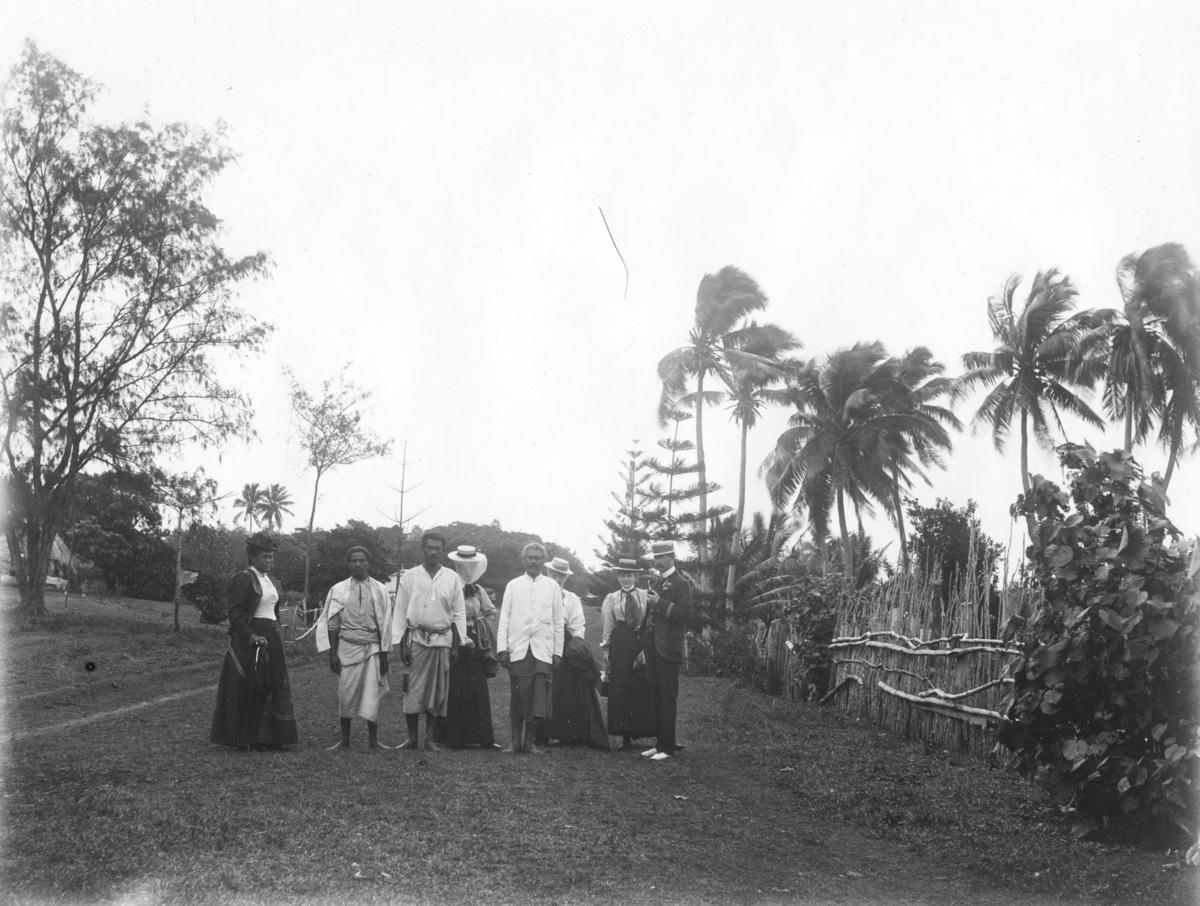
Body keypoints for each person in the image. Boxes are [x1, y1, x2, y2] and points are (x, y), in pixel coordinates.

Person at [209, 532, 298, 750]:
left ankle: (272, 737)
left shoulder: (270, 581)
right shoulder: (244, 578)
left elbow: (273, 610)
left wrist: (277, 634)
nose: (269, 561)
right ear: (253, 557)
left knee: (274, 683)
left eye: (271, 557)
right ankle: (248, 737)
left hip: (272, 636)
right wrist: (251, 637)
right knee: (253, 684)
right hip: (253, 637)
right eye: (265, 557)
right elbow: (236, 614)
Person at [394, 531, 469, 751]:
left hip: (442, 640)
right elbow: (400, 609)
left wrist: (457, 644)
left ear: (443, 551)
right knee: (412, 690)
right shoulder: (410, 576)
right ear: (423, 549)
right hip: (416, 639)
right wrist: (400, 643)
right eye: (429, 547)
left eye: (437, 548)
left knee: (437, 692)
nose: (433, 552)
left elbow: (459, 613)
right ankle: (412, 738)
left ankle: (429, 739)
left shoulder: (452, 578)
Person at [315, 546, 393, 750]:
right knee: (345, 693)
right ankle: (345, 740)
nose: (358, 564)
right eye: (354, 561)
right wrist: (332, 653)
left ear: (368, 563)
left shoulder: (380, 589)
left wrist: (385, 654)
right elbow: (332, 623)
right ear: (348, 564)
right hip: (347, 647)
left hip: (372, 647)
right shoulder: (338, 589)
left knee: (372, 693)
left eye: (362, 560)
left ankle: (373, 741)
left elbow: (385, 624)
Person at [537, 557, 609, 749]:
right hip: (542, 640)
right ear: (547, 573)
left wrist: (575, 646)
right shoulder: (537, 593)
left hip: (566, 643)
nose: (557, 579)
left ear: (565, 578)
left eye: (561, 576)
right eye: (554, 574)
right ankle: (542, 733)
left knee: (567, 688)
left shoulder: (571, 598)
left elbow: (577, 625)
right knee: (542, 685)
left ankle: (568, 733)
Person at [497, 542, 562, 754]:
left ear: (543, 561)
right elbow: (504, 619)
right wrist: (502, 648)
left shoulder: (552, 587)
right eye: (530, 557)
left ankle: (529, 742)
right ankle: (515, 742)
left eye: (538, 558)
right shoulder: (513, 585)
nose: (534, 561)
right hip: (518, 647)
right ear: (524, 560)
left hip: (542, 648)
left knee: (538, 697)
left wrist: (557, 651)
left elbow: (558, 621)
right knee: (518, 697)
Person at [434, 544, 500, 749]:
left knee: (476, 686)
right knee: (454, 686)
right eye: (463, 565)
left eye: (471, 565)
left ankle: (481, 737)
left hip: (475, 642)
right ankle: (453, 737)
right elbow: (442, 611)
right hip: (452, 638)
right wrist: (457, 631)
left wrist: (479, 625)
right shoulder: (448, 585)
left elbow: (491, 612)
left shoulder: (478, 590)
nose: (467, 569)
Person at [640, 541, 692, 762]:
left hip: (668, 648)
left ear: (672, 556)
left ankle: (668, 747)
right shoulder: (660, 581)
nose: (657, 561)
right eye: (655, 557)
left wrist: (659, 602)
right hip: (653, 645)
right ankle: (659, 742)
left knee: (668, 697)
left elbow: (684, 614)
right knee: (656, 695)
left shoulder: (681, 583)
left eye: (661, 557)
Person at [599, 557, 657, 750]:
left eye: (629, 575)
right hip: (621, 642)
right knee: (621, 686)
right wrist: (607, 650)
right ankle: (623, 734)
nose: (626, 579)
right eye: (622, 575)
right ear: (618, 577)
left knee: (641, 683)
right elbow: (608, 625)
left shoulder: (645, 595)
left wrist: (646, 646)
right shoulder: (612, 598)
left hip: (640, 640)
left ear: (636, 576)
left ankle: (640, 730)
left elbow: (650, 620)